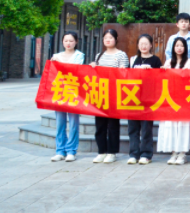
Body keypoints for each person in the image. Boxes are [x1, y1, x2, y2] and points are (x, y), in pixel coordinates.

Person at [90, 29, 129, 164]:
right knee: (100, 125)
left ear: (116, 39)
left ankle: (112, 152)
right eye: (106, 37)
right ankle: (101, 151)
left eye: (111, 38)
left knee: (113, 125)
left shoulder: (121, 55)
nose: (108, 40)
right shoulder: (99, 55)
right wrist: (93, 67)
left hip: (114, 94)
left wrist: (122, 70)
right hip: (100, 94)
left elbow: (124, 74)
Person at [158, 37, 190, 165]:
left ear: (185, 48)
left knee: (183, 126)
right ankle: (173, 152)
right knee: (171, 125)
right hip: (171, 98)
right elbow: (164, 79)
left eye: (181, 45)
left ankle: (182, 153)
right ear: (173, 48)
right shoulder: (169, 62)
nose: (179, 48)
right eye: (177, 46)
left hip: (184, 98)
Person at [50, 32, 85, 162]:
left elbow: (74, 69)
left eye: (71, 41)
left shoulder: (79, 55)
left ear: (76, 42)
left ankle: (71, 151)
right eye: (66, 41)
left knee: (74, 122)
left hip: (73, 92)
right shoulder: (56, 56)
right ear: (62, 42)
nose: (68, 43)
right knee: (60, 122)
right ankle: (60, 150)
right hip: (59, 92)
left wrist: (59, 63)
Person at [128, 34, 162, 165]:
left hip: (148, 97)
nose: (143, 46)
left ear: (151, 45)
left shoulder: (155, 60)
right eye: (141, 43)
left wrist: (151, 71)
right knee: (133, 128)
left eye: (146, 43)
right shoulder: (133, 59)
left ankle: (146, 154)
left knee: (146, 127)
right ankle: (133, 154)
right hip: (133, 97)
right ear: (138, 45)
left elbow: (160, 79)